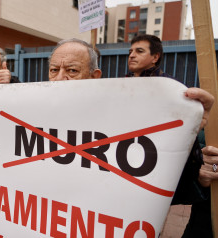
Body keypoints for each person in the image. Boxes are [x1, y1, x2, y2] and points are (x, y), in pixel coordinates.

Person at [49, 37, 215, 236]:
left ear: (95, 76)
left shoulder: (125, 114)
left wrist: (199, 169)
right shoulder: (30, 113)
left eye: (72, 71)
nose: (59, 79)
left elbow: (157, 178)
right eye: (53, 70)